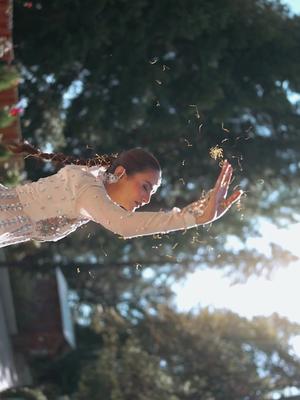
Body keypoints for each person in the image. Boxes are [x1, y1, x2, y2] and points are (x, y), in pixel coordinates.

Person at [0, 141, 243, 248]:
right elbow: (124, 225)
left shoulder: (91, 189)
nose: (147, 200)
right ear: (120, 173)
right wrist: (196, 219)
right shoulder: (86, 186)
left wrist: (198, 211)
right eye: (146, 186)